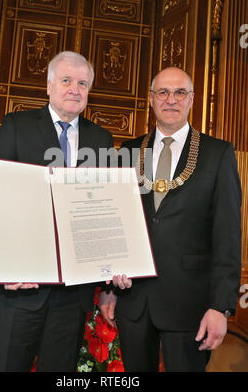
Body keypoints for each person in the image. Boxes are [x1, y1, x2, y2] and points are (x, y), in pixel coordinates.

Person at [99, 66, 242, 372]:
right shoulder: (129, 150)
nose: (171, 99)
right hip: (133, 299)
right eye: (163, 92)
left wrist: (220, 307)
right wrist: (108, 289)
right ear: (151, 99)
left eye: (180, 92)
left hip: (190, 303)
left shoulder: (218, 154)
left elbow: (228, 236)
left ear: (192, 100)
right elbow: (113, 222)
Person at [0, 51, 114, 371]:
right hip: (20, 285)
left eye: (83, 83)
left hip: (72, 295)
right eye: (67, 81)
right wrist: (4, 267)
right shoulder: (17, 126)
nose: (75, 89)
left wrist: (110, 277)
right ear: (48, 86)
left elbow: (106, 212)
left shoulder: (102, 139)